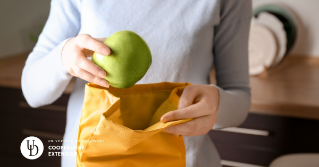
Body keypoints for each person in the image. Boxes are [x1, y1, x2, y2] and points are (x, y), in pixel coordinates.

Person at [22, 0, 252, 166]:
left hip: (184, 159)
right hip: (89, 159)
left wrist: (217, 103)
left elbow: (239, 95)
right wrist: (63, 57)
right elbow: (32, 91)